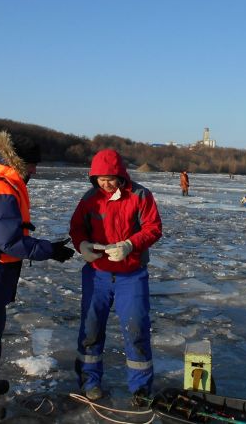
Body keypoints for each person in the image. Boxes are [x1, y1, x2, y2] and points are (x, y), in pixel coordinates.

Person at [0, 131, 75, 422]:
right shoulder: (0, 189)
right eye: (32, 164)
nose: (35, 170)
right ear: (18, 161)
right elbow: (9, 241)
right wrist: (50, 250)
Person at [69, 149, 162, 406]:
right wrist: (82, 244)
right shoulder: (90, 199)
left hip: (131, 275)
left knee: (136, 329)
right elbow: (76, 227)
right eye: (100, 179)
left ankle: (141, 387)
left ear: (120, 175)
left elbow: (154, 228)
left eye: (110, 178)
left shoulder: (141, 195)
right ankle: (90, 382)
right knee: (91, 329)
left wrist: (131, 245)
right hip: (97, 274)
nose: (105, 183)